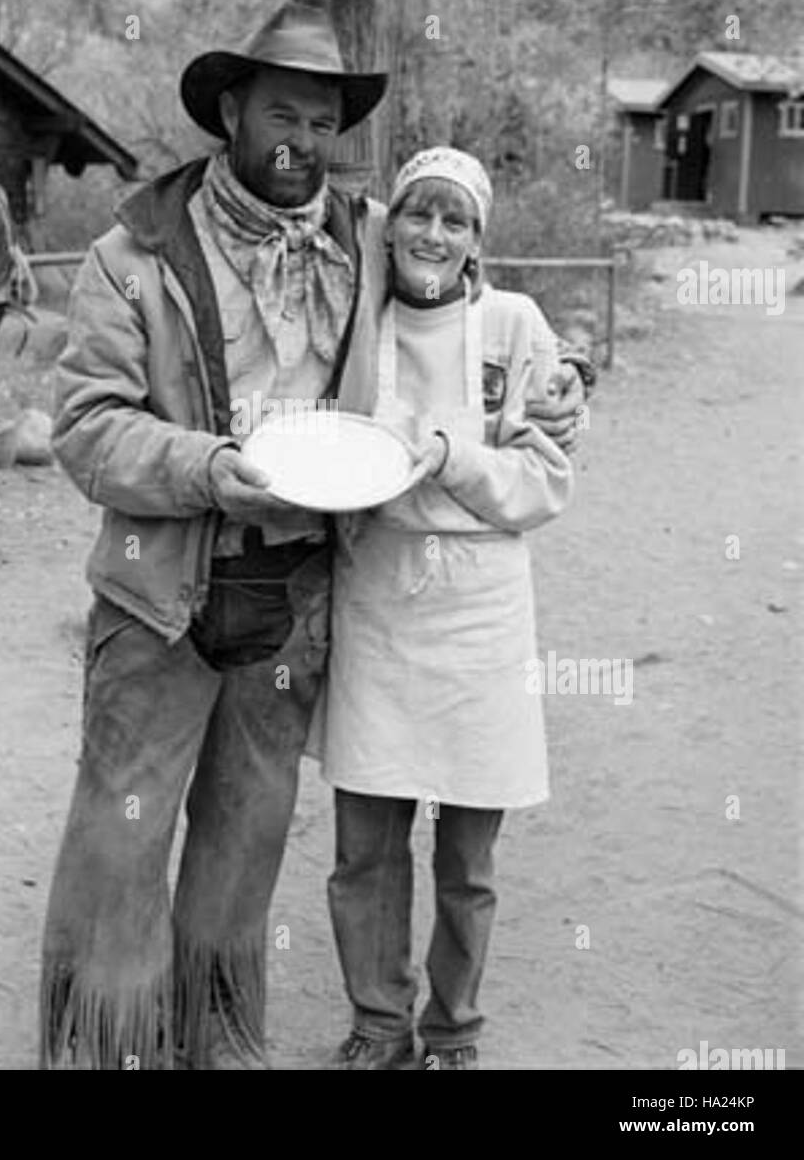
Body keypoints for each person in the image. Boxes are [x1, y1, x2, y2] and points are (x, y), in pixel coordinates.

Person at [39, 5, 590, 1070]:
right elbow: (82, 428)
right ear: (230, 110)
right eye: (280, 110)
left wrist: (566, 379)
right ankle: (105, 1052)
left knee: (243, 840)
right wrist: (203, 468)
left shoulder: (364, 234)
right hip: (162, 594)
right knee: (123, 832)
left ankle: (218, 1039)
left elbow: (464, 283)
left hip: (293, 603)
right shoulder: (135, 256)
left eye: (323, 119)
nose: (300, 136)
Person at [320, 147, 574, 1071]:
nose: (433, 234)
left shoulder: (516, 326)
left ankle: (453, 1030)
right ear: (392, 233)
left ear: (478, 241)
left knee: (466, 855)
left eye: (455, 220)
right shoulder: (358, 330)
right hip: (380, 598)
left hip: (481, 611)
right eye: (418, 215)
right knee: (365, 845)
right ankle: (379, 1021)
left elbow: (543, 483)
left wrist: (448, 456)